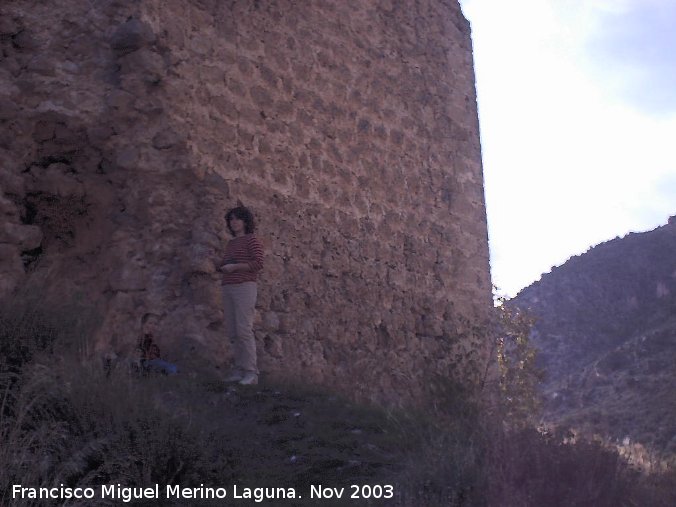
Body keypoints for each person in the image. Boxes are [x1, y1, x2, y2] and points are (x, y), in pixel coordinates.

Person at [219, 204, 264, 385]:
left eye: (237, 218)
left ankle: (251, 372)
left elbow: (258, 263)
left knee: (244, 329)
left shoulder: (251, 240)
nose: (234, 222)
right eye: (231, 219)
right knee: (232, 331)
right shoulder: (230, 243)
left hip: (245, 286)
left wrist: (235, 267)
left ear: (245, 221)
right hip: (228, 286)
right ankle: (238, 369)